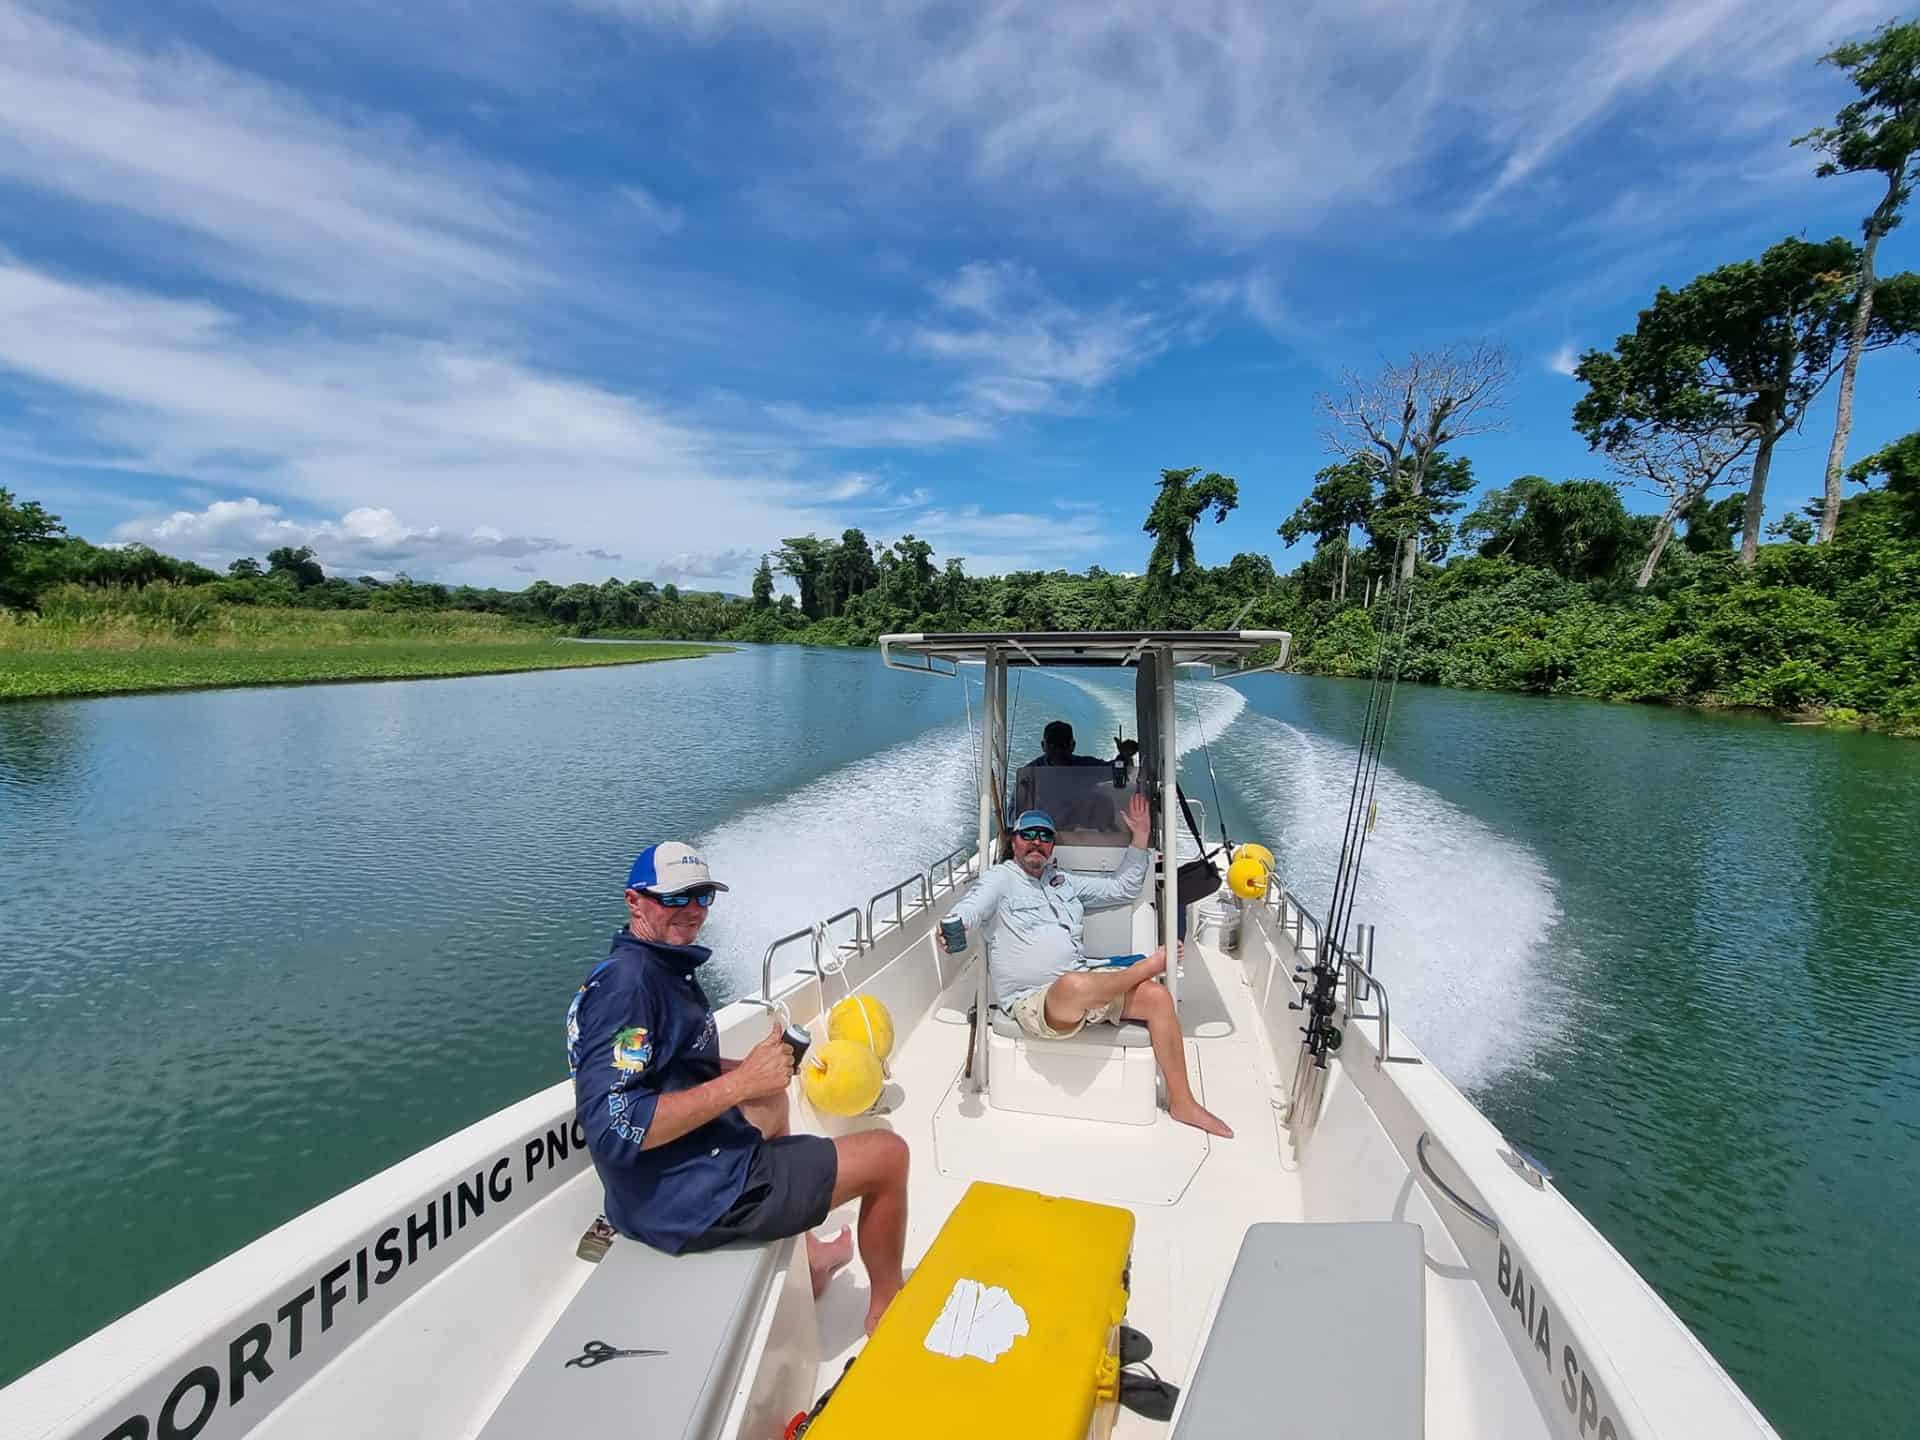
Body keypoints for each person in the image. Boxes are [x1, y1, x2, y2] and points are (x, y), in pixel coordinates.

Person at [568, 841, 909, 1335]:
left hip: (657, 1180)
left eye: (702, 896)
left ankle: (810, 1259)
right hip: (686, 1198)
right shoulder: (629, 988)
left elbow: (674, 1065)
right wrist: (740, 1083)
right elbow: (616, 1129)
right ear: (634, 901)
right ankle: (887, 1311)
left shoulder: (656, 968)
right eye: (675, 897)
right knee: (889, 1157)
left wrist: (751, 1071)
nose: (693, 910)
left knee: (769, 1100)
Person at [942, 800, 1232, 1138]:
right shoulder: (999, 879)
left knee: (1157, 998)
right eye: (1028, 834)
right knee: (1074, 986)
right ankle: (1148, 966)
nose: (1036, 842)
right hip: (1033, 1002)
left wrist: (1140, 838)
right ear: (1014, 840)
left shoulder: (1063, 882)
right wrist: (955, 927)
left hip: (1083, 985)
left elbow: (1121, 889)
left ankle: (1183, 1102)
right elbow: (971, 907)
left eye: (1045, 836)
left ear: (1052, 846)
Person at [1028, 719, 1140, 770]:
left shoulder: (1087, 767)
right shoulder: (1029, 774)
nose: (1058, 750)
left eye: (1062, 745)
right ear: (1043, 746)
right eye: (1052, 745)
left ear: (1073, 746)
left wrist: (1124, 756)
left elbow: (1114, 769)